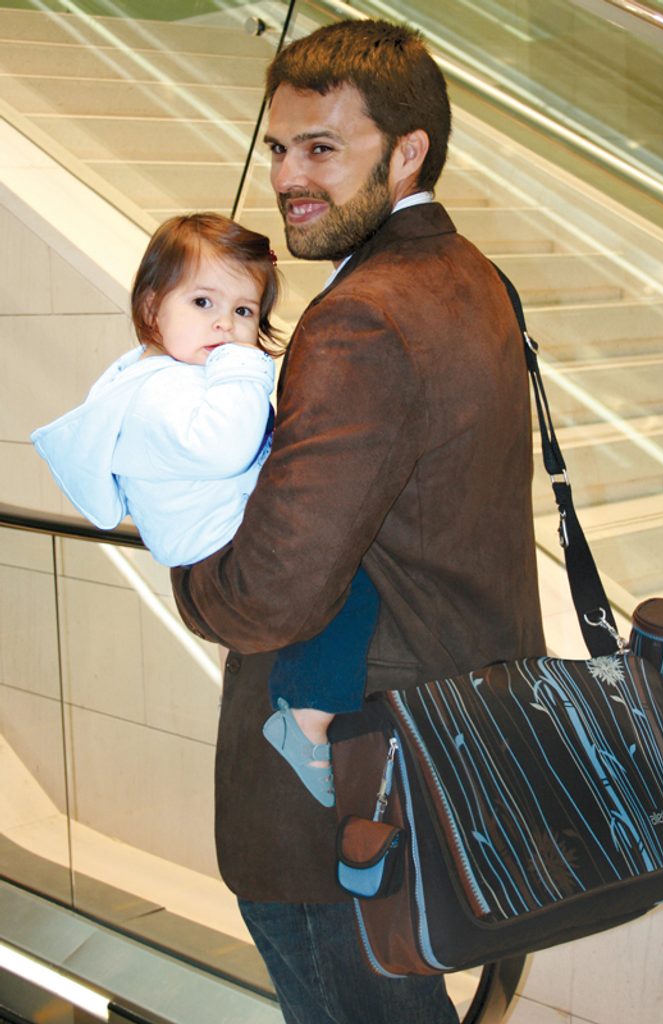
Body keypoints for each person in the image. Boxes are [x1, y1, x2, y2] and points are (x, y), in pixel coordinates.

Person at [171, 19, 546, 1024]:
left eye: (322, 148)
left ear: (407, 150)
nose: (287, 177)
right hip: (447, 755)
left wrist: (188, 566)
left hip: (342, 805)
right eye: (279, 148)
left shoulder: (365, 315)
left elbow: (271, 595)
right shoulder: (474, 276)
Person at [30, 212, 380, 807]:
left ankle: (292, 696)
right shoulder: (157, 393)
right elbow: (226, 447)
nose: (224, 323)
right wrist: (244, 363)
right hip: (223, 551)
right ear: (151, 308)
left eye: (244, 310)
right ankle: (307, 722)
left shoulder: (176, 376)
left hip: (223, 539)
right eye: (202, 302)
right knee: (355, 591)